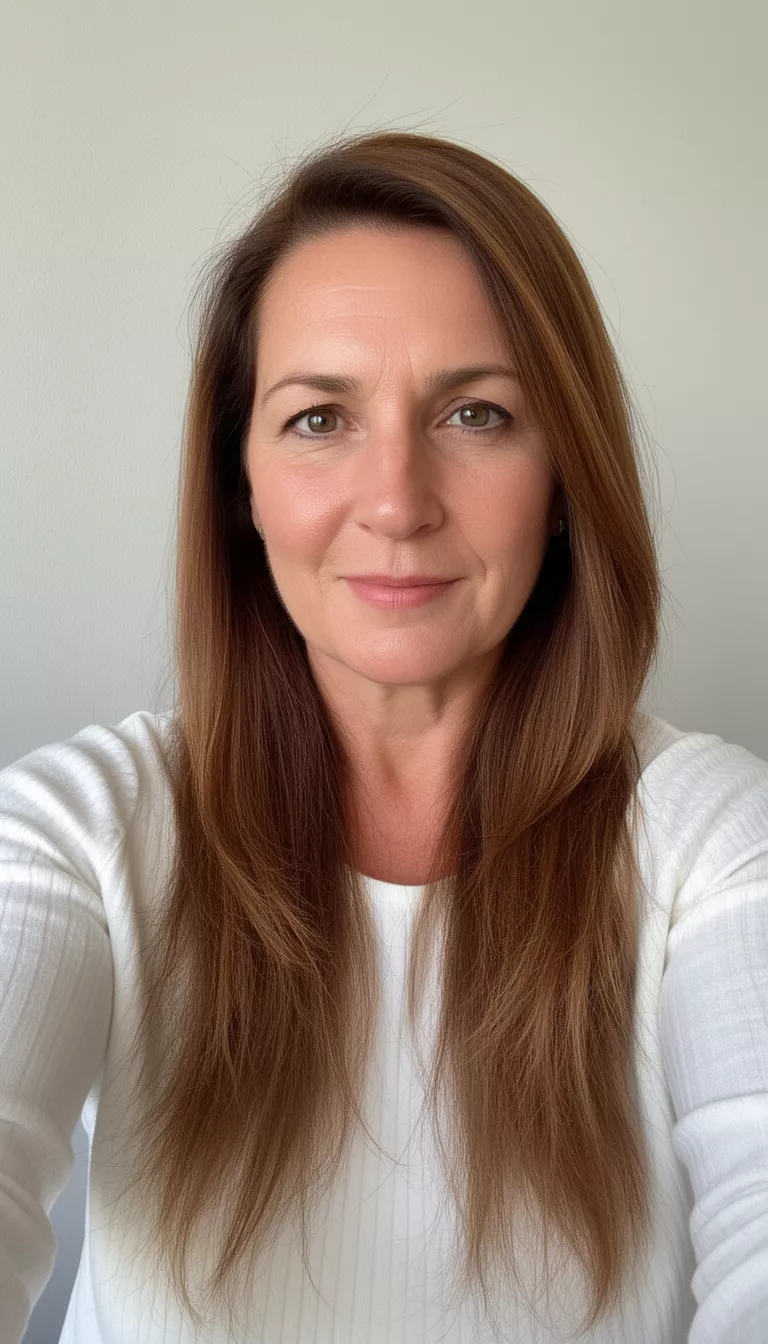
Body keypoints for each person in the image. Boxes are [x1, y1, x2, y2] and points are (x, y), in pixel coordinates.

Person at [1, 128, 766, 1344]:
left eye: (476, 413)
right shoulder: (73, 835)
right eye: (320, 419)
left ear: (564, 480)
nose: (400, 502)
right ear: (240, 485)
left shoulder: (715, 845)